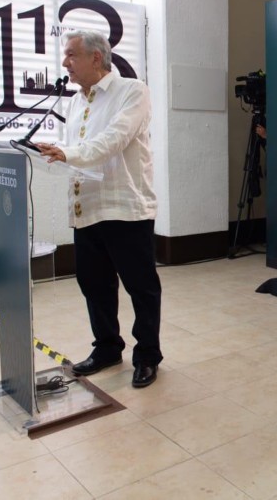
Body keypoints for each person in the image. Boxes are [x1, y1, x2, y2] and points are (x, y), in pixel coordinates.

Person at [37, 30, 162, 389]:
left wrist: (68, 153)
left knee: (141, 287)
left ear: (96, 57)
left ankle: (148, 356)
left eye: (71, 55)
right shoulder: (76, 102)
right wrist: (55, 150)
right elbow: (79, 148)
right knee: (94, 285)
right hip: (86, 207)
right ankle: (107, 348)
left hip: (125, 208)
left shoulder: (133, 92)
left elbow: (113, 140)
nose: (65, 63)